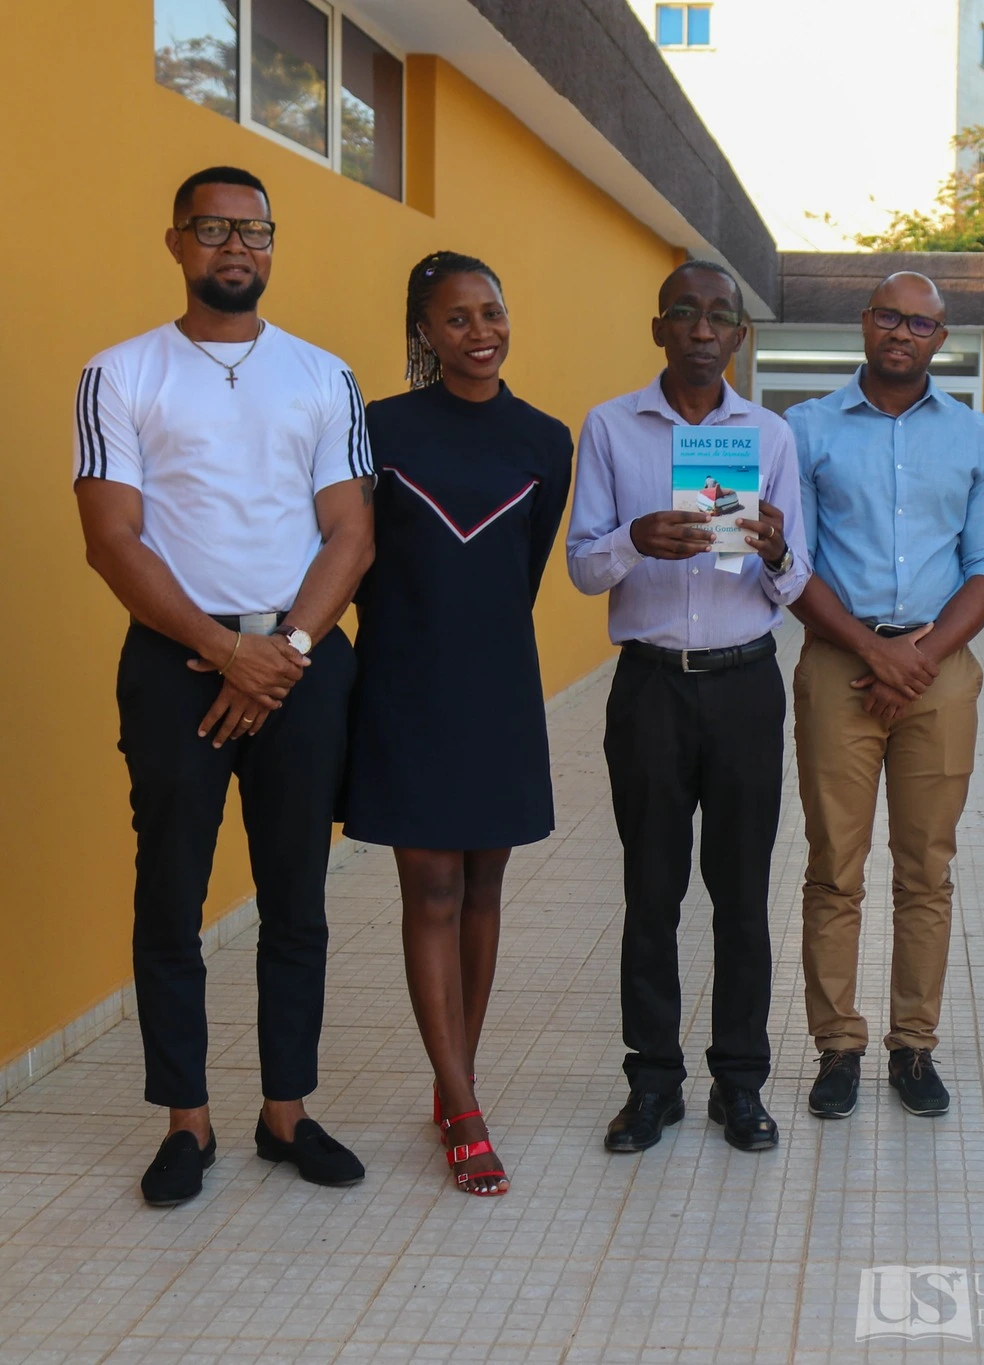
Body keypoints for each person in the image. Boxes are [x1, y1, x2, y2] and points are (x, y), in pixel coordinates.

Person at [74, 166, 374, 1206]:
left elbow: (351, 531)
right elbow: (111, 540)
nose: (235, 246)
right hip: (174, 665)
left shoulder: (323, 376)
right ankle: (186, 1121)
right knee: (172, 893)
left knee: (297, 895)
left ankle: (285, 1109)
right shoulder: (121, 373)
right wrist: (220, 646)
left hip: (298, 666)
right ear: (176, 244)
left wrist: (282, 649)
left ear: (271, 246)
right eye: (213, 229)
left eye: (254, 230)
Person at [342, 251, 571, 1196]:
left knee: (484, 886)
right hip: (405, 681)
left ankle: (455, 1076)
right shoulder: (377, 428)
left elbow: (524, 571)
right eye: (456, 320)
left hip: (499, 687)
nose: (480, 334)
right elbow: (352, 554)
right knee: (430, 886)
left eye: (492, 312)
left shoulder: (545, 438)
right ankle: (463, 1104)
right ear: (423, 334)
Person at [566, 260, 807, 1153]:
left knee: (743, 897)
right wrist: (634, 539)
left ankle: (740, 1083)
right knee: (652, 890)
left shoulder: (770, 436)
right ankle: (654, 1081)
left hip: (746, 683)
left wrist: (778, 549)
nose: (703, 330)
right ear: (658, 327)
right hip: (652, 687)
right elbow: (582, 565)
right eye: (685, 314)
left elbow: (798, 580)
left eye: (720, 317)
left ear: (740, 336)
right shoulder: (610, 428)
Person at [784, 273, 984, 1120]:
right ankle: (837, 1046)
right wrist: (870, 651)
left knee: (927, 869)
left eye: (921, 323)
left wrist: (914, 658)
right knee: (834, 867)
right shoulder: (803, 428)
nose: (903, 333)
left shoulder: (977, 435)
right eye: (890, 316)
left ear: (941, 338)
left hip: (938, 670)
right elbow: (790, 564)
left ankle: (914, 1045)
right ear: (865, 322)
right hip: (838, 664)